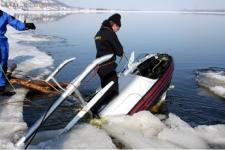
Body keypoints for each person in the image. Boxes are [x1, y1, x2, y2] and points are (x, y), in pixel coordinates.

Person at [92, 13, 124, 114]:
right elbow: (119, 51)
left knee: (105, 90)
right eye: (118, 28)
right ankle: (95, 110)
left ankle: (100, 110)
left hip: (100, 68)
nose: (117, 30)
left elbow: (104, 48)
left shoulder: (98, 33)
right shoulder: (110, 33)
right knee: (113, 92)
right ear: (114, 24)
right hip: (108, 67)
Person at [0, 10, 36, 96]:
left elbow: (16, 23)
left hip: (2, 42)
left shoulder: (4, 15)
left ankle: (1, 88)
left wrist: (26, 25)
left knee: (2, 63)